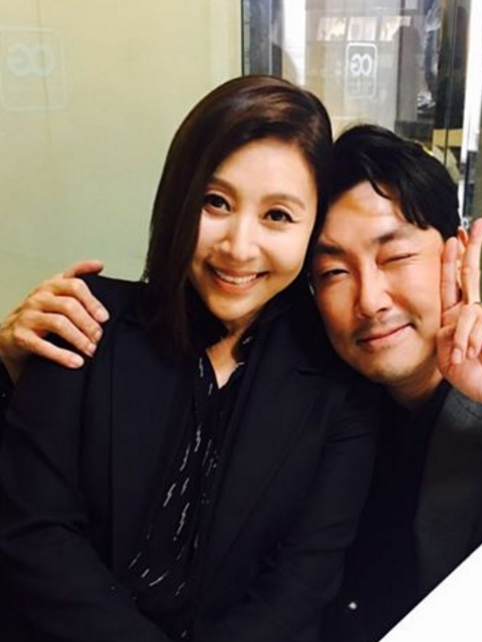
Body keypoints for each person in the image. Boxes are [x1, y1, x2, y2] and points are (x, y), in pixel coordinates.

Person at [4, 124, 482, 640]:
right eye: (333, 271)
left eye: (396, 256)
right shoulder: (306, 358)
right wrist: (14, 364)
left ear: (456, 253)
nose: (370, 301)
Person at [0, 76, 377, 642]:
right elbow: (35, 532)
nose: (239, 247)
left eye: (278, 215)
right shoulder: (85, 318)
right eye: (215, 202)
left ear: (312, 230)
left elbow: (299, 586)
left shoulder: (337, 384)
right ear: (180, 198)